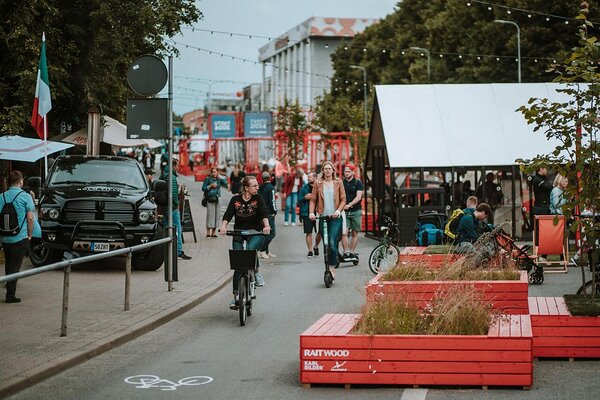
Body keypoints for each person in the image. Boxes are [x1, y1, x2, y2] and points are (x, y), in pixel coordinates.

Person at [219, 176, 271, 309]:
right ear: (246, 188)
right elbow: (228, 214)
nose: (257, 188)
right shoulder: (235, 200)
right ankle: (236, 296)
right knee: (238, 263)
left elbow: (264, 214)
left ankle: (256, 272)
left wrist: (266, 226)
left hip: (256, 232)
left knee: (249, 251)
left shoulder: (258, 199)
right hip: (239, 233)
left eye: (257, 185)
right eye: (255, 186)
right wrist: (223, 227)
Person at [0, 171, 37, 303]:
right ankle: (10, 295)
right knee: (15, 266)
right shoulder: (25, 196)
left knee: (9, 264)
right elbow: (31, 219)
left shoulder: (2, 196)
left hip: (5, 237)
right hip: (20, 237)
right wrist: (30, 235)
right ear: (20, 181)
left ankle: (8, 285)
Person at [309, 161, 346, 278]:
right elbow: (313, 200)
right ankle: (330, 261)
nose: (327, 170)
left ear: (333, 170)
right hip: (323, 217)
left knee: (331, 242)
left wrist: (338, 211)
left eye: (330, 168)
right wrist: (311, 213)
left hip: (335, 217)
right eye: (325, 168)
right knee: (325, 244)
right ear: (323, 171)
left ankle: (331, 267)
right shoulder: (318, 183)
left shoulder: (338, 182)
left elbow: (343, 199)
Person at [160, 159, 191, 260]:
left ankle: (166, 251)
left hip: (164, 206)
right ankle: (178, 252)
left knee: (166, 227)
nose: (178, 168)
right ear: (173, 166)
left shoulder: (164, 174)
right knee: (177, 228)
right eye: (177, 166)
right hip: (172, 207)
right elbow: (173, 193)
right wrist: (177, 204)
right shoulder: (171, 177)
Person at [340, 164, 363, 260]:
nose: (346, 173)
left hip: (356, 210)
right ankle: (346, 252)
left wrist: (349, 204)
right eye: (345, 171)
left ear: (353, 172)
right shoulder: (341, 182)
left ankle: (352, 252)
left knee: (355, 233)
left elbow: (359, 197)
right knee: (343, 232)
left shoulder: (358, 183)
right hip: (344, 212)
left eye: (348, 171)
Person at [298, 171, 321, 258]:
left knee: (320, 232)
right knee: (308, 232)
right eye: (308, 177)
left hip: (319, 212)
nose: (308, 178)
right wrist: (305, 197)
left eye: (310, 177)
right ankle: (310, 250)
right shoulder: (304, 187)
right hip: (306, 212)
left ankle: (316, 246)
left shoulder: (319, 187)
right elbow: (299, 200)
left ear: (315, 178)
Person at [202, 167, 228, 238]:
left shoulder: (218, 179)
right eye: (213, 172)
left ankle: (213, 233)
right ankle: (208, 232)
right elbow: (203, 188)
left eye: (216, 172)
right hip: (210, 198)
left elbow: (226, 183)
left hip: (218, 198)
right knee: (210, 215)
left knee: (217, 215)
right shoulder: (208, 179)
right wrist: (210, 186)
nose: (214, 173)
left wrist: (220, 176)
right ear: (210, 173)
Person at [258, 171, 277, 259]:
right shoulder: (271, 188)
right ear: (270, 178)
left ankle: (266, 251)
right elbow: (272, 201)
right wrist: (274, 211)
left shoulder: (260, 187)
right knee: (272, 233)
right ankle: (262, 250)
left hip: (261, 212)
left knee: (265, 232)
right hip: (269, 212)